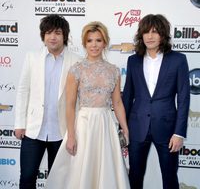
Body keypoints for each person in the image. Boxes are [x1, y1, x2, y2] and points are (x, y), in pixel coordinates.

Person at [45, 21, 130, 189]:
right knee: (80, 170)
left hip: (106, 124)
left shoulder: (113, 70)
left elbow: (118, 102)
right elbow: (69, 105)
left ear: (104, 43)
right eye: (90, 40)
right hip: (84, 125)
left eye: (98, 40)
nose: (94, 45)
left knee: (106, 169)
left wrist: (125, 128)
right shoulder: (76, 69)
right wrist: (70, 135)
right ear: (84, 43)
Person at [122, 14, 190, 189]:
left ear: (163, 35)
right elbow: (128, 96)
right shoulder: (133, 60)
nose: (149, 36)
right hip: (137, 127)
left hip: (167, 129)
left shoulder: (178, 60)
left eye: (154, 32)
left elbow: (183, 98)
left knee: (169, 176)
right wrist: (123, 128)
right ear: (141, 35)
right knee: (135, 176)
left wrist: (179, 133)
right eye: (146, 32)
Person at [14, 14, 81, 189]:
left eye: (57, 33)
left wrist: (75, 131)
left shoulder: (76, 61)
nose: (53, 37)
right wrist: (20, 123)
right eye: (49, 32)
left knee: (59, 181)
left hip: (62, 132)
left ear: (64, 36)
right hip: (33, 130)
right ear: (43, 36)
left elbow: (78, 100)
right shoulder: (32, 57)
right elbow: (23, 91)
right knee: (27, 177)